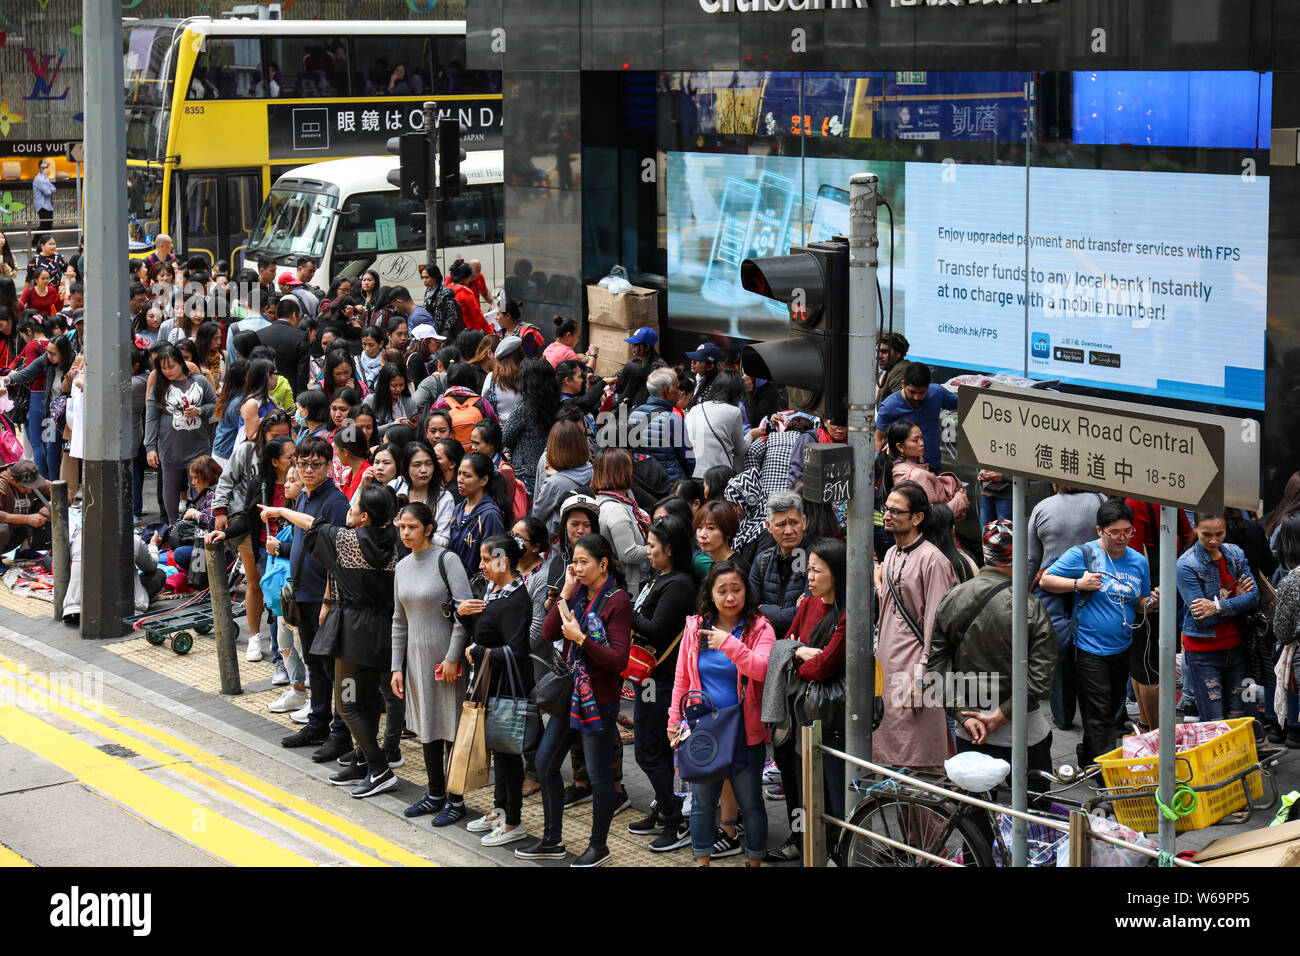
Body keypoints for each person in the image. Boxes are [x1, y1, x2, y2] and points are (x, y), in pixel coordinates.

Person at [265, 485, 400, 797]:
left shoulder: (347, 541)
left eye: (354, 506)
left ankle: (379, 769)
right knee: (366, 702)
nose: (347, 509)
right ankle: (363, 761)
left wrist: (281, 511)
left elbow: (313, 525)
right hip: (383, 630)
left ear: (365, 516)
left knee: (348, 703)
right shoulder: (396, 542)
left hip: (353, 633)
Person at [521, 534, 632, 866]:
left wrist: (581, 638)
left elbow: (618, 660)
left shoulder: (618, 600)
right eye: (575, 562)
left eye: (585, 562)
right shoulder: (579, 592)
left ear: (603, 564)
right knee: (544, 762)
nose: (579, 568)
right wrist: (566, 591)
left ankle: (599, 846)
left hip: (599, 697)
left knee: (599, 775)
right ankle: (552, 839)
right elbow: (551, 632)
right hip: (570, 694)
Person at [929, 520, 1057, 795]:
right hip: (1023, 731)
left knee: (974, 819)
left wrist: (962, 716)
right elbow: (1040, 679)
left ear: (985, 555)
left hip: (971, 728)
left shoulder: (953, 598)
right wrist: (1001, 715)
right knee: (1035, 815)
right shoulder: (1030, 606)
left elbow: (937, 666)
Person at [669, 559, 775, 866]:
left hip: (745, 730)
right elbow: (682, 679)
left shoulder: (759, 628)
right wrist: (674, 722)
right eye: (723, 590)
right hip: (703, 728)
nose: (730, 598)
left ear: (746, 591)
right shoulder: (695, 628)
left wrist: (729, 644)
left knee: (752, 803)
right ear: (710, 594)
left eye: (737, 590)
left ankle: (753, 861)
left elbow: (762, 670)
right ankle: (702, 863)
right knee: (703, 803)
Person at [1039, 499, 1160, 767]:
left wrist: (1151, 602)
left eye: (1127, 531)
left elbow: (1139, 603)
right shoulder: (1083, 555)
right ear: (1099, 531)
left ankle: (1088, 756)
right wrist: (1077, 583)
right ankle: (1102, 771)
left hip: (1123, 646)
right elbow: (1046, 580)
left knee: (1112, 709)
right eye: (1114, 532)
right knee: (1099, 713)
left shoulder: (1138, 561)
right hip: (1088, 648)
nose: (1122, 537)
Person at [392, 501, 476, 818]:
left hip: (446, 660)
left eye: (412, 526)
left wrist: (454, 657)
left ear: (428, 529)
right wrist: (395, 667)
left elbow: (463, 612)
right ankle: (435, 793)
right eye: (402, 526)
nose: (405, 532)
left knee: (451, 728)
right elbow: (399, 621)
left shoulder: (447, 560)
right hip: (415, 660)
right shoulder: (401, 567)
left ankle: (456, 800)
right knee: (427, 725)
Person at [276, 436, 355, 761]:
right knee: (313, 663)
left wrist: (328, 600)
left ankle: (340, 733)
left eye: (315, 464)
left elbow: (339, 555)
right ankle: (318, 722)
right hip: (304, 596)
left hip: (326, 600)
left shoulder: (335, 502)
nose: (308, 469)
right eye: (302, 463)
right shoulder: (304, 498)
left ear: (328, 466)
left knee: (331, 667)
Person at [873, 480, 960, 770]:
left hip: (915, 673)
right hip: (888, 668)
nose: (887, 515)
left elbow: (937, 624)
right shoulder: (890, 554)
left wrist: (922, 677)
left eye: (896, 511)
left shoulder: (933, 561)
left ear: (917, 518)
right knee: (892, 763)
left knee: (922, 760)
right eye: (887, 509)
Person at [454, 533, 535, 843]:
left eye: (487, 559)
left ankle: (514, 822)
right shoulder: (493, 590)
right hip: (488, 683)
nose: (481, 565)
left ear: (504, 560)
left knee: (508, 754)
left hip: (506, 688)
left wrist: (477, 653)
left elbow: (516, 650)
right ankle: (500, 810)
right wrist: (462, 617)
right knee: (498, 752)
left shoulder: (516, 598)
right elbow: (483, 633)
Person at [626, 515, 696, 852]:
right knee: (657, 752)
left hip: (661, 680)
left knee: (647, 751)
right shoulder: (661, 576)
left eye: (652, 546)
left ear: (669, 549)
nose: (647, 551)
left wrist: (626, 611)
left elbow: (655, 629)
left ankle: (674, 818)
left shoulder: (679, 584)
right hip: (648, 678)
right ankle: (664, 806)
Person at [778, 537, 849, 859]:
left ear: (835, 573)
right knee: (797, 778)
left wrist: (797, 659)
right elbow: (786, 646)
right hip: (797, 710)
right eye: (808, 570)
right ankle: (803, 842)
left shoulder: (848, 613)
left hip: (829, 712)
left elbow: (826, 666)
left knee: (831, 786)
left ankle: (836, 849)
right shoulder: (806, 604)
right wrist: (800, 654)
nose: (810, 577)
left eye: (817, 571)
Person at [1176, 513, 1259, 724]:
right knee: (1214, 720)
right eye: (1207, 535)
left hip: (1237, 647)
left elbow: (1254, 597)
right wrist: (1236, 600)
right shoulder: (1186, 564)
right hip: (1203, 652)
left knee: (1239, 716)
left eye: (1219, 534)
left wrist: (1217, 606)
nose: (1214, 540)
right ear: (1195, 528)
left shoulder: (1235, 553)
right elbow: (1202, 618)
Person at [144, 344, 217, 523]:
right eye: (163, 368)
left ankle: (201, 521)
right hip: (170, 447)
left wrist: (200, 410)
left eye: (171, 366)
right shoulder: (159, 386)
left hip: (198, 445)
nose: (168, 371)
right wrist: (150, 447)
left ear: (181, 363)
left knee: (201, 484)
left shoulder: (199, 381)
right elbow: (151, 417)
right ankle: (172, 525)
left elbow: (216, 405)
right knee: (170, 486)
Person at [873, 363, 958, 474]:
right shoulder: (889, 407)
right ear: (903, 384)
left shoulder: (937, 393)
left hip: (933, 468)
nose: (916, 397)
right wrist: (877, 470)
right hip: (903, 472)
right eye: (912, 392)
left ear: (928, 386)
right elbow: (879, 439)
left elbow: (965, 404)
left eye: (922, 392)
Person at [592, 448, 650, 596]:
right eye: (629, 468)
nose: (632, 473)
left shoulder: (622, 499)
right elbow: (629, 554)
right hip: (631, 588)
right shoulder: (615, 510)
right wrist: (661, 548)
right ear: (620, 473)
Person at [502, 356, 562, 497]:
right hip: (552, 470)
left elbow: (504, 438)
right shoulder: (558, 404)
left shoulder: (524, 408)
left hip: (525, 473)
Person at [447, 452, 510, 579]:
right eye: (459, 473)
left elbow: (498, 561)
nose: (460, 479)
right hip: (455, 584)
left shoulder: (490, 515)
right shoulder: (459, 508)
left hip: (477, 591)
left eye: (467, 475)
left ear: (484, 480)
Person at [685, 370, 757, 478]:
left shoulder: (694, 409)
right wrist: (752, 434)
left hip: (691, 472)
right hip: (716, 477)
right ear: (736, 392)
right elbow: (739, 450)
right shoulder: (734, 412)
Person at [628, 367, 690, 484]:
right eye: (677, 388)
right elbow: (688, 459)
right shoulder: (673, 420)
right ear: (667, 390)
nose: (679, 392)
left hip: (642, 483)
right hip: (669, 485)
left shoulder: (633, 415)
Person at [531, 418, 592, 536]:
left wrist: (558, 477)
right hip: (587, 542)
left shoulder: (554, 484)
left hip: (559, 547)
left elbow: (537, 516)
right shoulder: (591, 471)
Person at [257, 297, 310, 395]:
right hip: (290, 390)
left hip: (265, 390)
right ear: (294, 315)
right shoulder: (301, 336)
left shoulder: (260, 334)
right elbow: (302, 372)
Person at [693, 498, 740, 583]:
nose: (702, 535)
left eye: (711, 528)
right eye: (699, 527)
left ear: (728, 532)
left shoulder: (735, 568)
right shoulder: (716, 563)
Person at [875, 331, 911, 405]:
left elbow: (897, 406)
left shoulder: (901, 371)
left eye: (884, 352)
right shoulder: (887, 370)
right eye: (878, 352)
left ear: (898, 353)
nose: (879, 356)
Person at [682, 342, 722, 409]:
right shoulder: (696, 379)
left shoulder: (712, 389)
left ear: (709, 366)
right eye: (693, 358)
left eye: (698, 360)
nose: (692, 361)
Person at [33, 160, 56, 234]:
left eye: (46, 168)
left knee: (49, 226)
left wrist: (49, 189)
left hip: (48, 205)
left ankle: (46, 242)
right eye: (43, 168)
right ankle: (34, 243)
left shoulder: (46, 178)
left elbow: (54, 189)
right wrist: (49, 189)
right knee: (44, 226)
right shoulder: (38, 179)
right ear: (39, 169)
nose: (45, 169)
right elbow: (48, 192)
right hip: (42, 206)